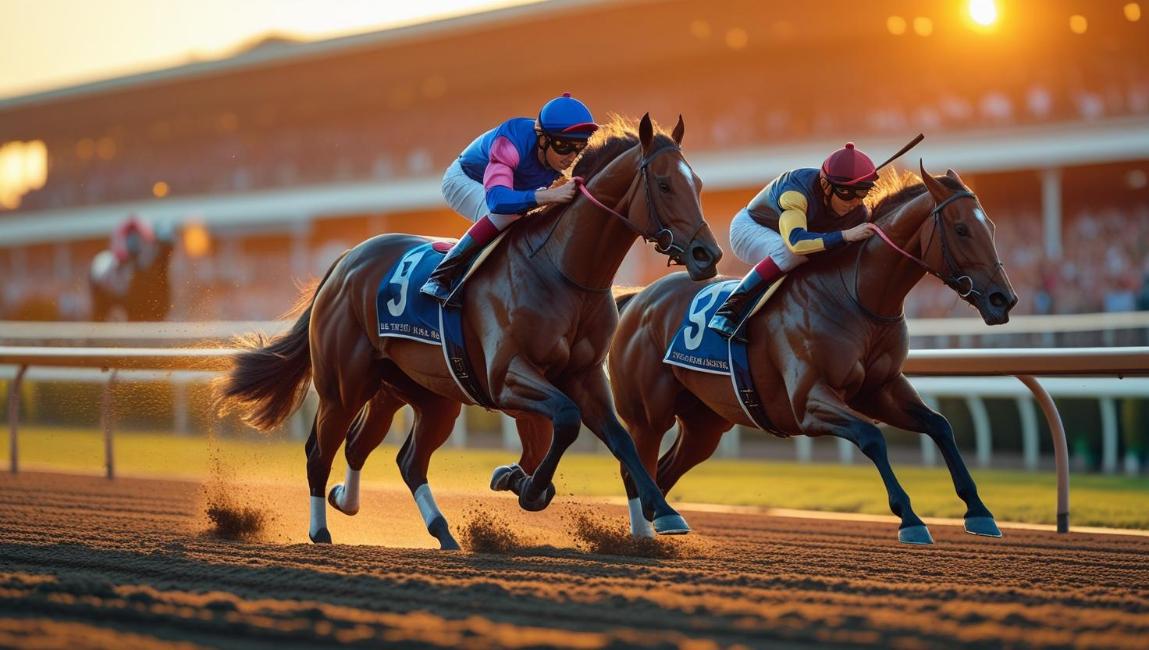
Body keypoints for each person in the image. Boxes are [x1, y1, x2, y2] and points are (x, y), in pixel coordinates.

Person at [419, 93, 599, 302]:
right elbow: (498, 201)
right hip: (465, 180)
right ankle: (441, 277)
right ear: (543, 139)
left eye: (579, 147)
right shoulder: (510, 142)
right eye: (563, 145)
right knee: (505, 217)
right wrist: (550, 195)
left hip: (510, 190)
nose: (571, 156)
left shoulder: (565, 156)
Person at [708, 142, 881, 338]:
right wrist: (846, 235)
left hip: (794, 239)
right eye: (847, 194)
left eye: (862, 192)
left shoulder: (857, 211)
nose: (855, 202)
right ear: (826, 186)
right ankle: (730, 310)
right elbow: (797, 243)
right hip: (750, 228)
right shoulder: (796, 191)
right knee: (789, 253)